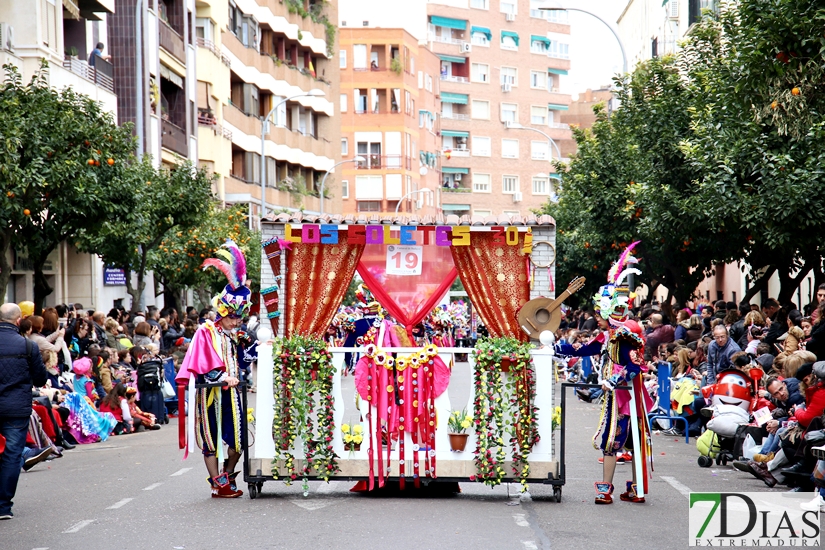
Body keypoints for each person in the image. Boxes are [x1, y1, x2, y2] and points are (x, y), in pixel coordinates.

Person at [555, 242, 653, 504]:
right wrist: (556, 348)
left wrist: (614, 379)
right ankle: (619, 488)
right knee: (615, 441)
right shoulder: (608, 335)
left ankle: (624, 489)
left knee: (624, 442)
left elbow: (635, 366)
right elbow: (586, 350)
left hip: (627, 397)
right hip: (615, 396)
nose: (596, 318)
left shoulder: (626, 334)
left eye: (599, 313)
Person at [176, 240, 251, 499]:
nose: (237, 322)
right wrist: (221, 376)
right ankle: (219, 484)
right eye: (233, 317)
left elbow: (245, 360)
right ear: (222, 313)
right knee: (210, 439)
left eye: (240, 317)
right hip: (211, 394)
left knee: (239, 442)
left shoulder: (235, 335)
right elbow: (202, 362)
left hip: (231, 394)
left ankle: (227, 475)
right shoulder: (206, 331)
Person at [0, 303, 50, 520]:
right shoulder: (28, 346)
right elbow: (40, 378)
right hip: (15, 407)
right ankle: (3, 505)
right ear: (19, 321)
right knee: (12, 455)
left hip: (13, 406)